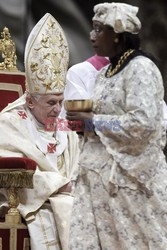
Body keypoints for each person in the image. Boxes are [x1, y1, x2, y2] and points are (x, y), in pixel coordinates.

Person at [67, 3, 167, 249]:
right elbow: (99, 120)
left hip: (130, 181)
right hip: (95, 179)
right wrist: (80, 121)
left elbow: (144, 124)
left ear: (117, 34)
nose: (92, 36)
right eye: (92, 29)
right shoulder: (105, 74)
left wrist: (94, 121)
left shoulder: (141, 69)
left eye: (99, 30)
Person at [0, 13, 79, 250]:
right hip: (30, 201)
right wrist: (56, 184)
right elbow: (8, 167)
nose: (58, 110)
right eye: (50, 103)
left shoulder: (65, 126)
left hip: (67, 196)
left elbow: (78, 163)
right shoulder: (10, 124)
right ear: (31, 102)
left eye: (60, 101)